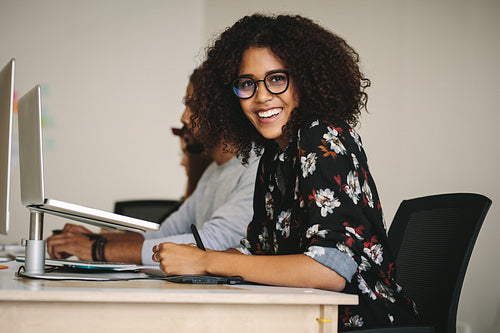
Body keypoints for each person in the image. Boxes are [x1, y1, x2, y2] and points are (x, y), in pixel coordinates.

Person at [152, 14, 419, 331]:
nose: (262, 96)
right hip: (300, 318)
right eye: (247, 83)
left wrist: (207, 262)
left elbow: (330, 269)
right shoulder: (275, 154)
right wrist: (199, 258)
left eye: (277, 78)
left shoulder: (322, 137)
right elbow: (259, 250)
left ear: (305, 80)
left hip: (358, 325)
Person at [46, 68, 260, 265]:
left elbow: (208, 243)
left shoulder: (256, 168)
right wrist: (93, 238)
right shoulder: (214, 172)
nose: (183, 117)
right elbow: (163, 233)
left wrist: (97, 249)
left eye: (193, 107)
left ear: (221, 112)